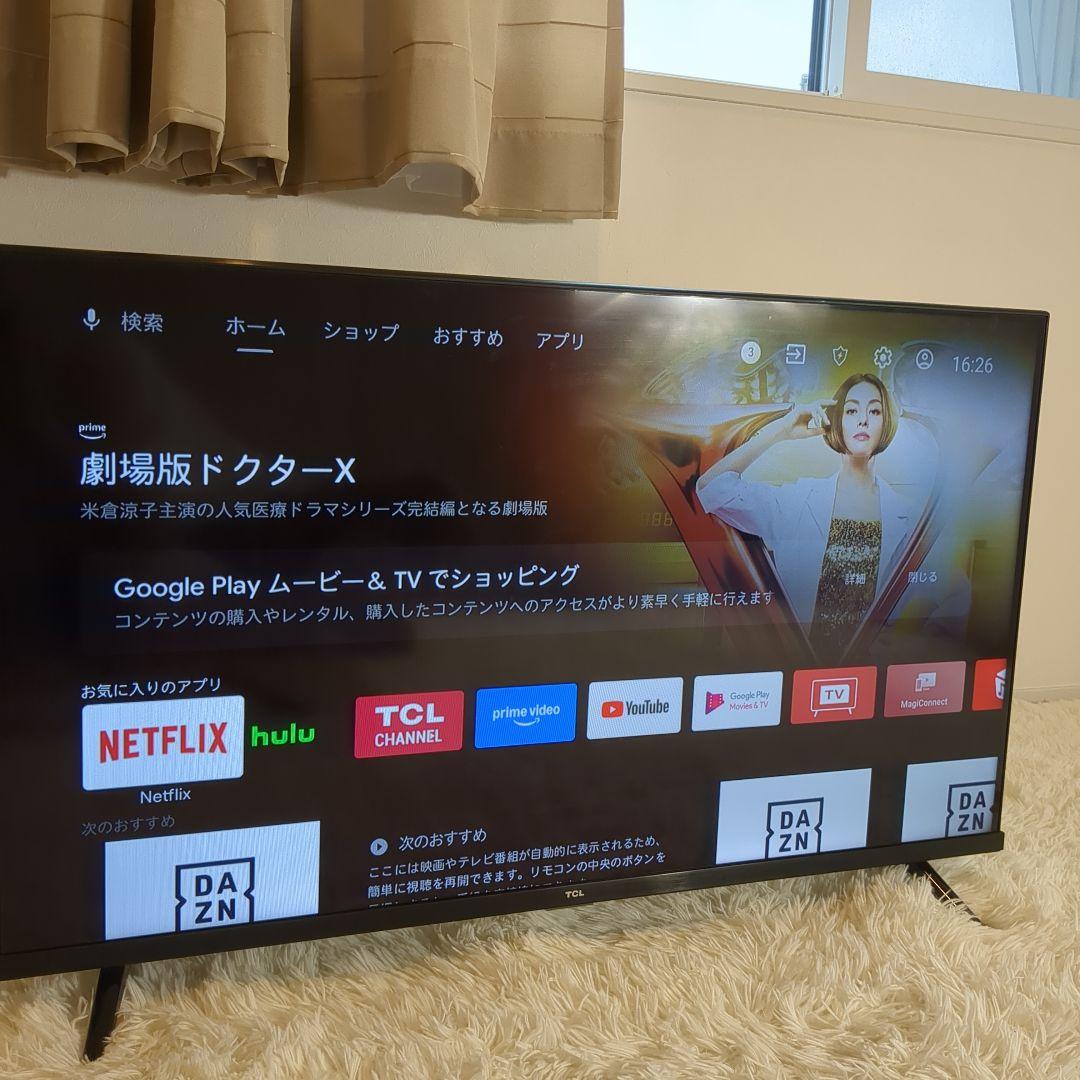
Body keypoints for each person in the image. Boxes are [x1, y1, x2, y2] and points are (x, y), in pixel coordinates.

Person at [697, 372, 916, 651]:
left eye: (874, 411)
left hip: (872, 668)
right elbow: (711, 489)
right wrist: (782, 431)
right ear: (836, 421)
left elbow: (952, 595)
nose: (863, 420)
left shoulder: (908, 515)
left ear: (887, 423)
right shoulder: (798, 500)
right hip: (802, 664)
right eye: (851, 411)